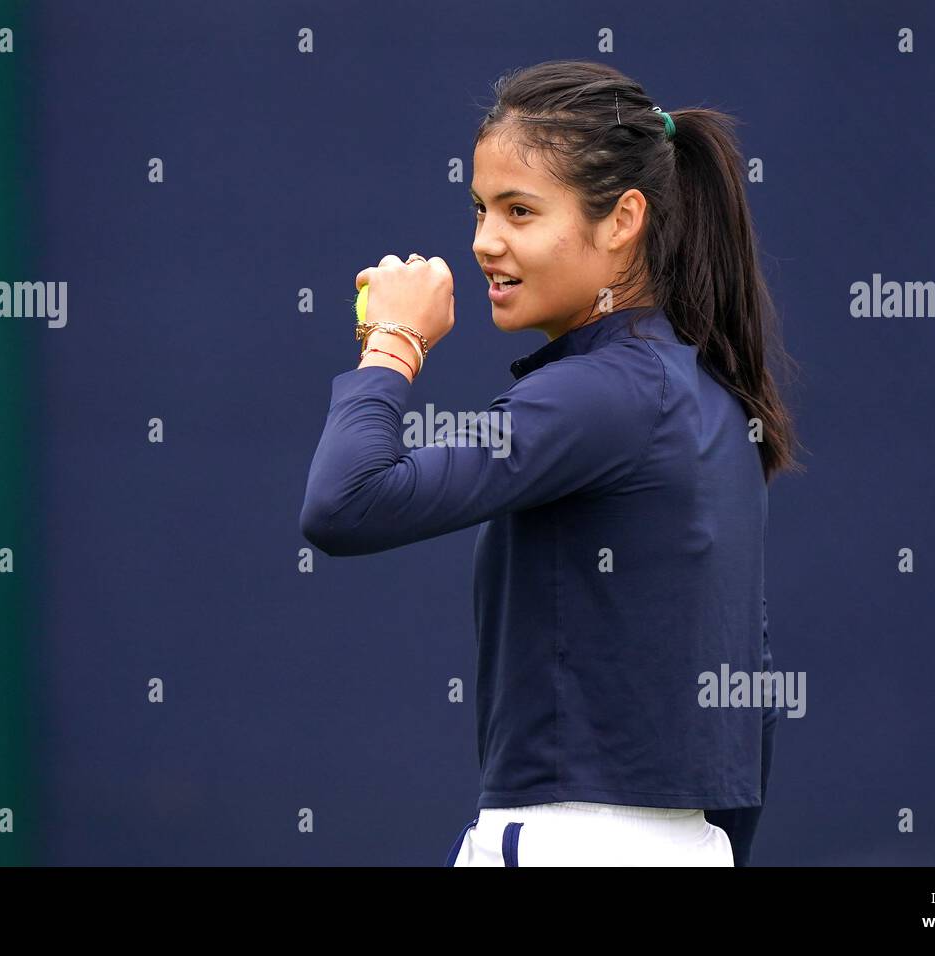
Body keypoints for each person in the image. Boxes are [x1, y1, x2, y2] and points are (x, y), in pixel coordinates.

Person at [301, 59, 804, 866]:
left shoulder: (599, 394)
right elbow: (753, 697)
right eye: (479, 209)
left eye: (520, 211)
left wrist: (391, 345)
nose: (483, 242)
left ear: (623, 219)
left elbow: (347, 501)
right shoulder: (708, 395)